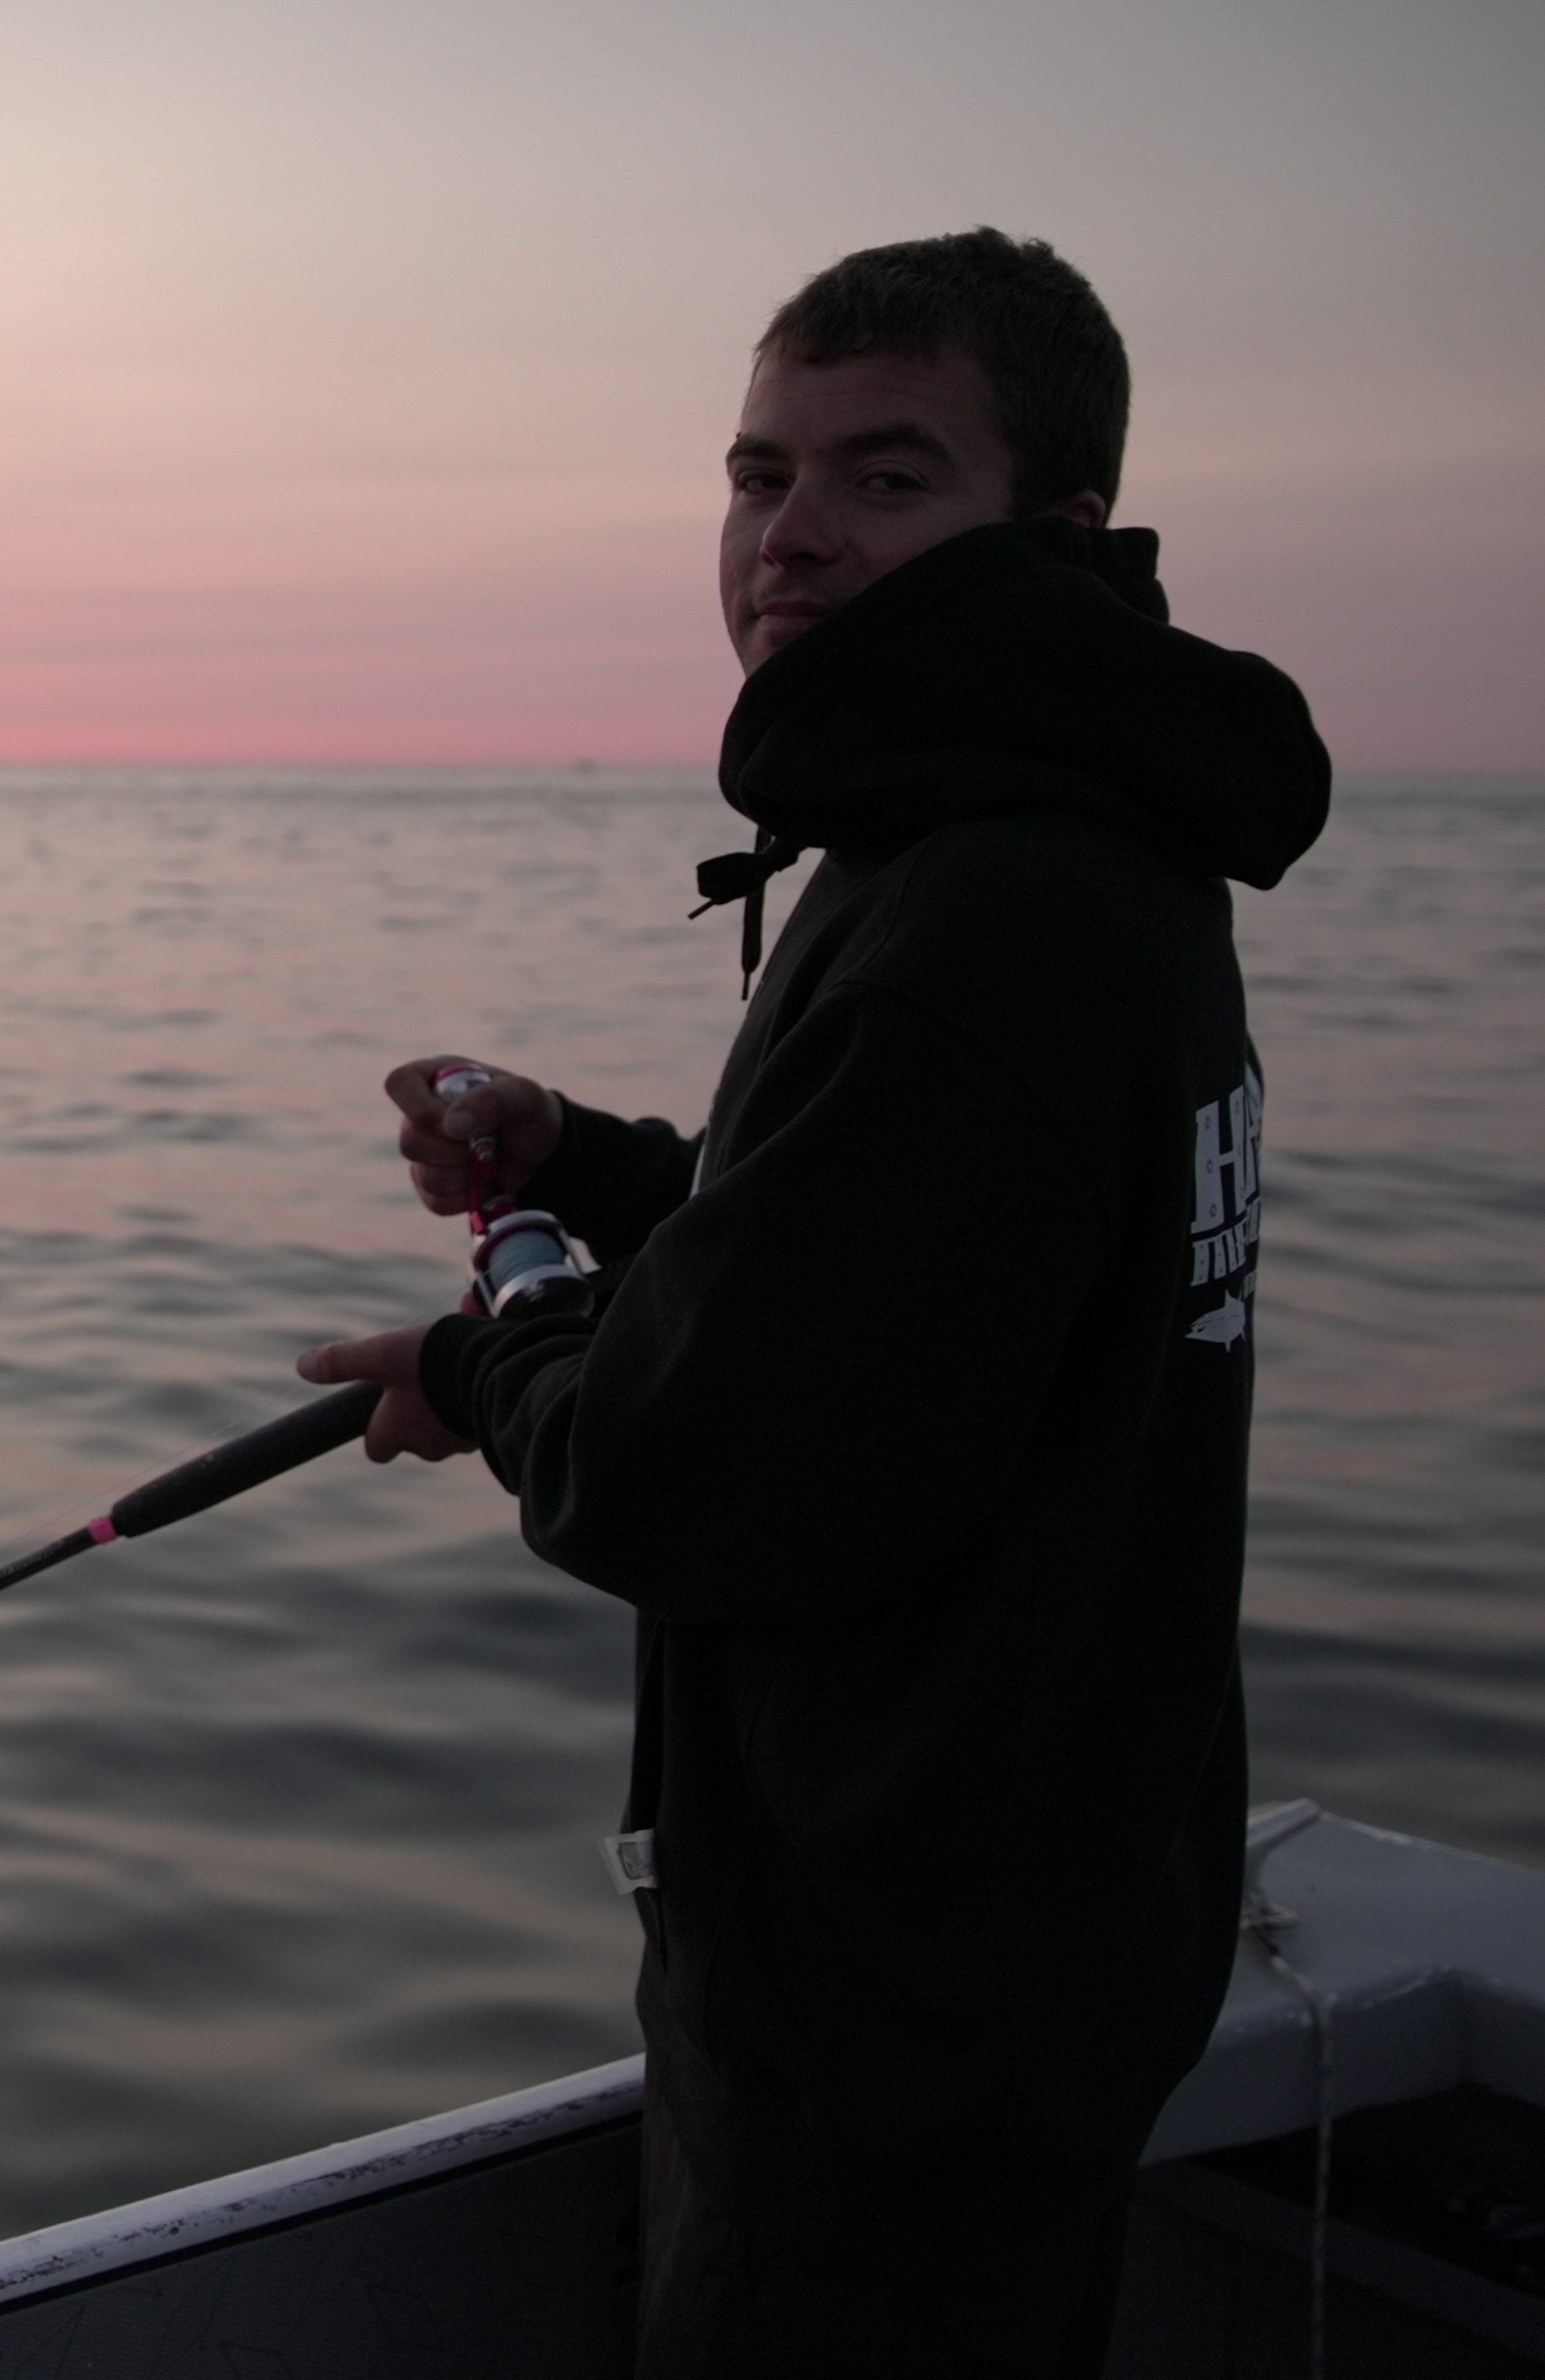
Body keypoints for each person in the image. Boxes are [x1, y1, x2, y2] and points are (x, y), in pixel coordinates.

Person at [297, 229, 1330, 2377]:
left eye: (885, 477)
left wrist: (489, 1359)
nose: (791, 534)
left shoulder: (981, 914)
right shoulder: (1063, 839)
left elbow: (678, 1473)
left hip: (896, 1997)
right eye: (760, 475)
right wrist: (583, 1163)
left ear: (1057, 526)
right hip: (1046, 1922)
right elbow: (897, 1274)